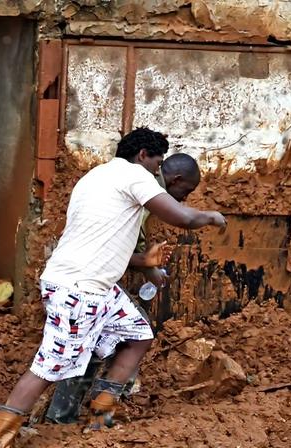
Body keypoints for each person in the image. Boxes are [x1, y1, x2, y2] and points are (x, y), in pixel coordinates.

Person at [0, 128, 226, 447]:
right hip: (78, 289)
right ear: (142, 156)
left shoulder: (95, 177)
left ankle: (101, 416)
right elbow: (183, 218)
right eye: (157, 162)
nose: (158, 171)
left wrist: (145, 263)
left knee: (139, 334)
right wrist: (211, 217)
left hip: (95, 287)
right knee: (48, 367)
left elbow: (104, 242)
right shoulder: (136, 176)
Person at [44, 152, 202, 424]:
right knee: (80, 350)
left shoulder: (124, 186)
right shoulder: (142, 189)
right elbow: (108, 246)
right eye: (185, 191)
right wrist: (146, 263)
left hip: (89, 280)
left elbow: (121, 243)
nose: (184, 199)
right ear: (175, 179)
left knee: (126, 335)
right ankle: (71, 417)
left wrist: (146, 265)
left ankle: (90, 413)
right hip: (83, 282)